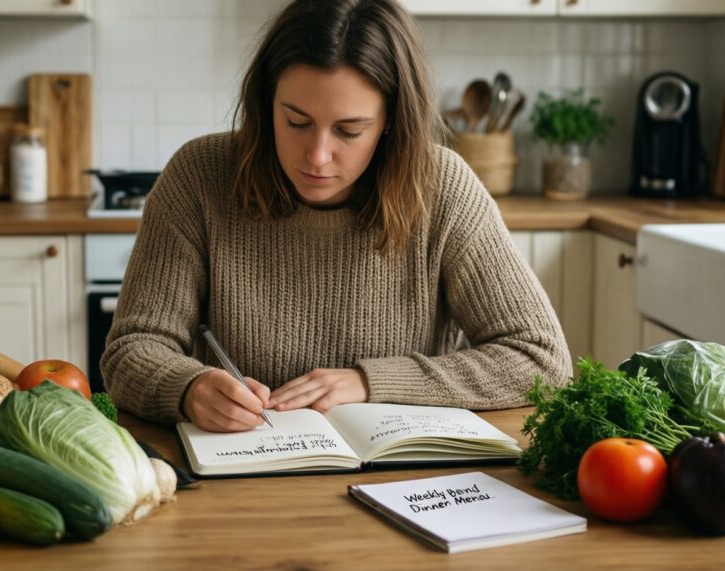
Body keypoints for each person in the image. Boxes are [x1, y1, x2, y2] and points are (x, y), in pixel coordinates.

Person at [101, 0, 572, 433]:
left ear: (390, 122)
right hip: (242, 477)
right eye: (296, 122)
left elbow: (540, 359)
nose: (318, 156)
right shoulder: (199, 177)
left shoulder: (443, 187)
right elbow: (131, 350)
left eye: (349, 130)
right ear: (267, 105)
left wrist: (370, 383)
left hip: (407, 480)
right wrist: (187, 388)